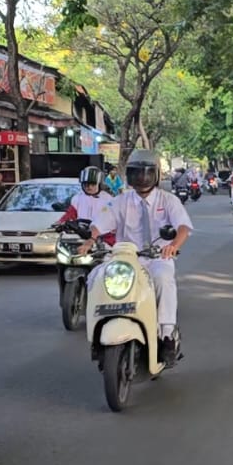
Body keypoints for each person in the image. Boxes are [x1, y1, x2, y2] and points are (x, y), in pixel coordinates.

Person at [82, 149, 194, 363]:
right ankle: (97, 334)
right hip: (126, 258)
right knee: (94, 277)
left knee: (163, 280)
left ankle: (167, 335)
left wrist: (172, 246)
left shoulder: (168, 200)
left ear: (157, 175)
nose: (142, 178)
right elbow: (100, 222)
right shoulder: (121, 201)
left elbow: (183, 227)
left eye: (147, 173)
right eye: (136, 173)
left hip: (157, 258)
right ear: (129, 175)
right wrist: (90, 239)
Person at [57, 166, 116, 246]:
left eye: (92, 184)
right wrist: (59, 223)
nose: (89, 187)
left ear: (99, 184)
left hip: (104, 239)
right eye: (86, 184)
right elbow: (69, 215)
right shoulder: (77, 198)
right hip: (81, 236)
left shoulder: (109, 200)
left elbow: (114, 219)